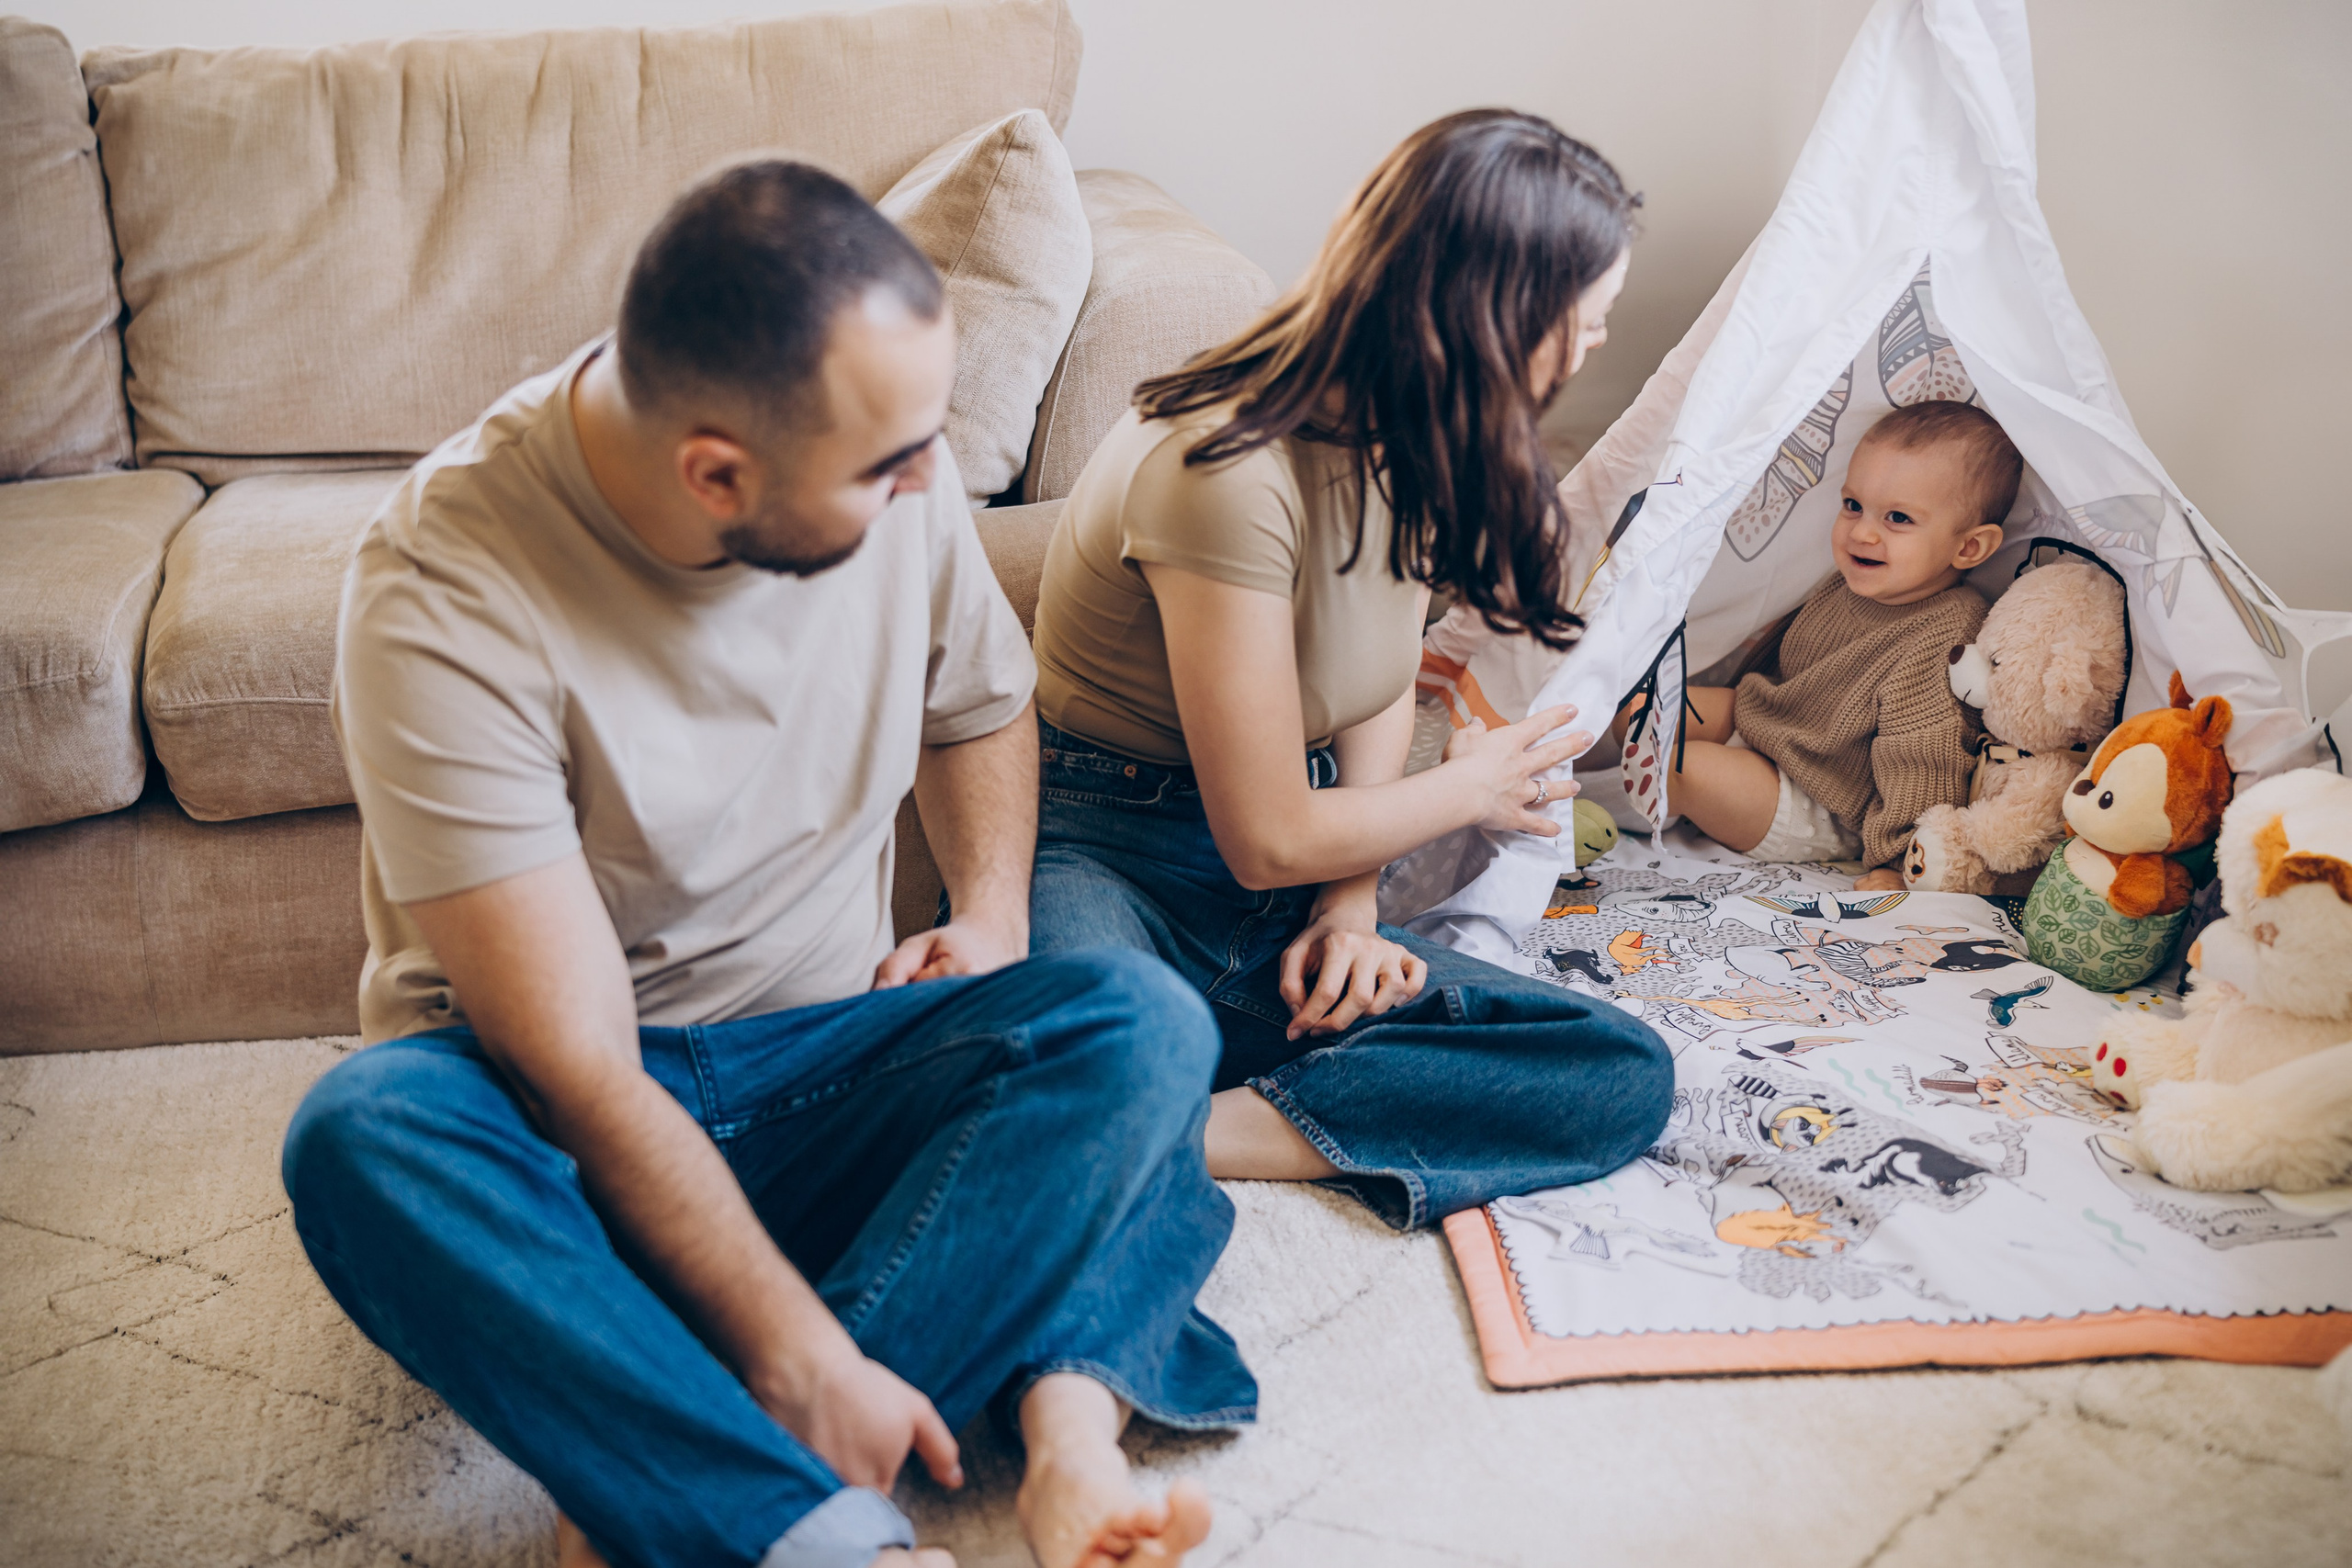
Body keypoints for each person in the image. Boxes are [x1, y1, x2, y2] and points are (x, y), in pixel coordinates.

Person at [282, 160, 1254, 1568]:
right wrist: (801, 1347)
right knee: (364, 1138)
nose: (932, 480)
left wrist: (984, 915)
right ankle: (820, 1514)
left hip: (825, 1057)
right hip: (567, 1111)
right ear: (716, 472)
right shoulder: (445, 590)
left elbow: (977, 703)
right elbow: (583, 1074)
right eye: (890, 465)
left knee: (1140, 1027)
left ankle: (704, 1484)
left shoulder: (881, 454)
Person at [1023, 110, 1676, 1232]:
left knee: (1617, 1070)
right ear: (1491, 319)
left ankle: (1193, 1127)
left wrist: (1351, 905)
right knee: (1099, 1039)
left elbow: (1373, 682)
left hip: (1287, 873)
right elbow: (1262, 833)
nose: (1592, 349)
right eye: (1584, 323)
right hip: (1105, 851)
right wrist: (1470, 787)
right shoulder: (1220, 468)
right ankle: (1132, 1103)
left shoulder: (1413, 435)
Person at [1612, 399, 2017, 890]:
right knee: (1641, 708)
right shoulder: (1851, 582)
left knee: (1687, 766)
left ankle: (1628, 801)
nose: (1862, 532)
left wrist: (1895, 861)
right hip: (1770, 725)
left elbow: (1923, 759)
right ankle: (1580, 763)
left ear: (1969, 547)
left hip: (1823, 799)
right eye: (1853, 506)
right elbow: (1787, 656)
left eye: (1898, 519)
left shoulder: (1943, 634)